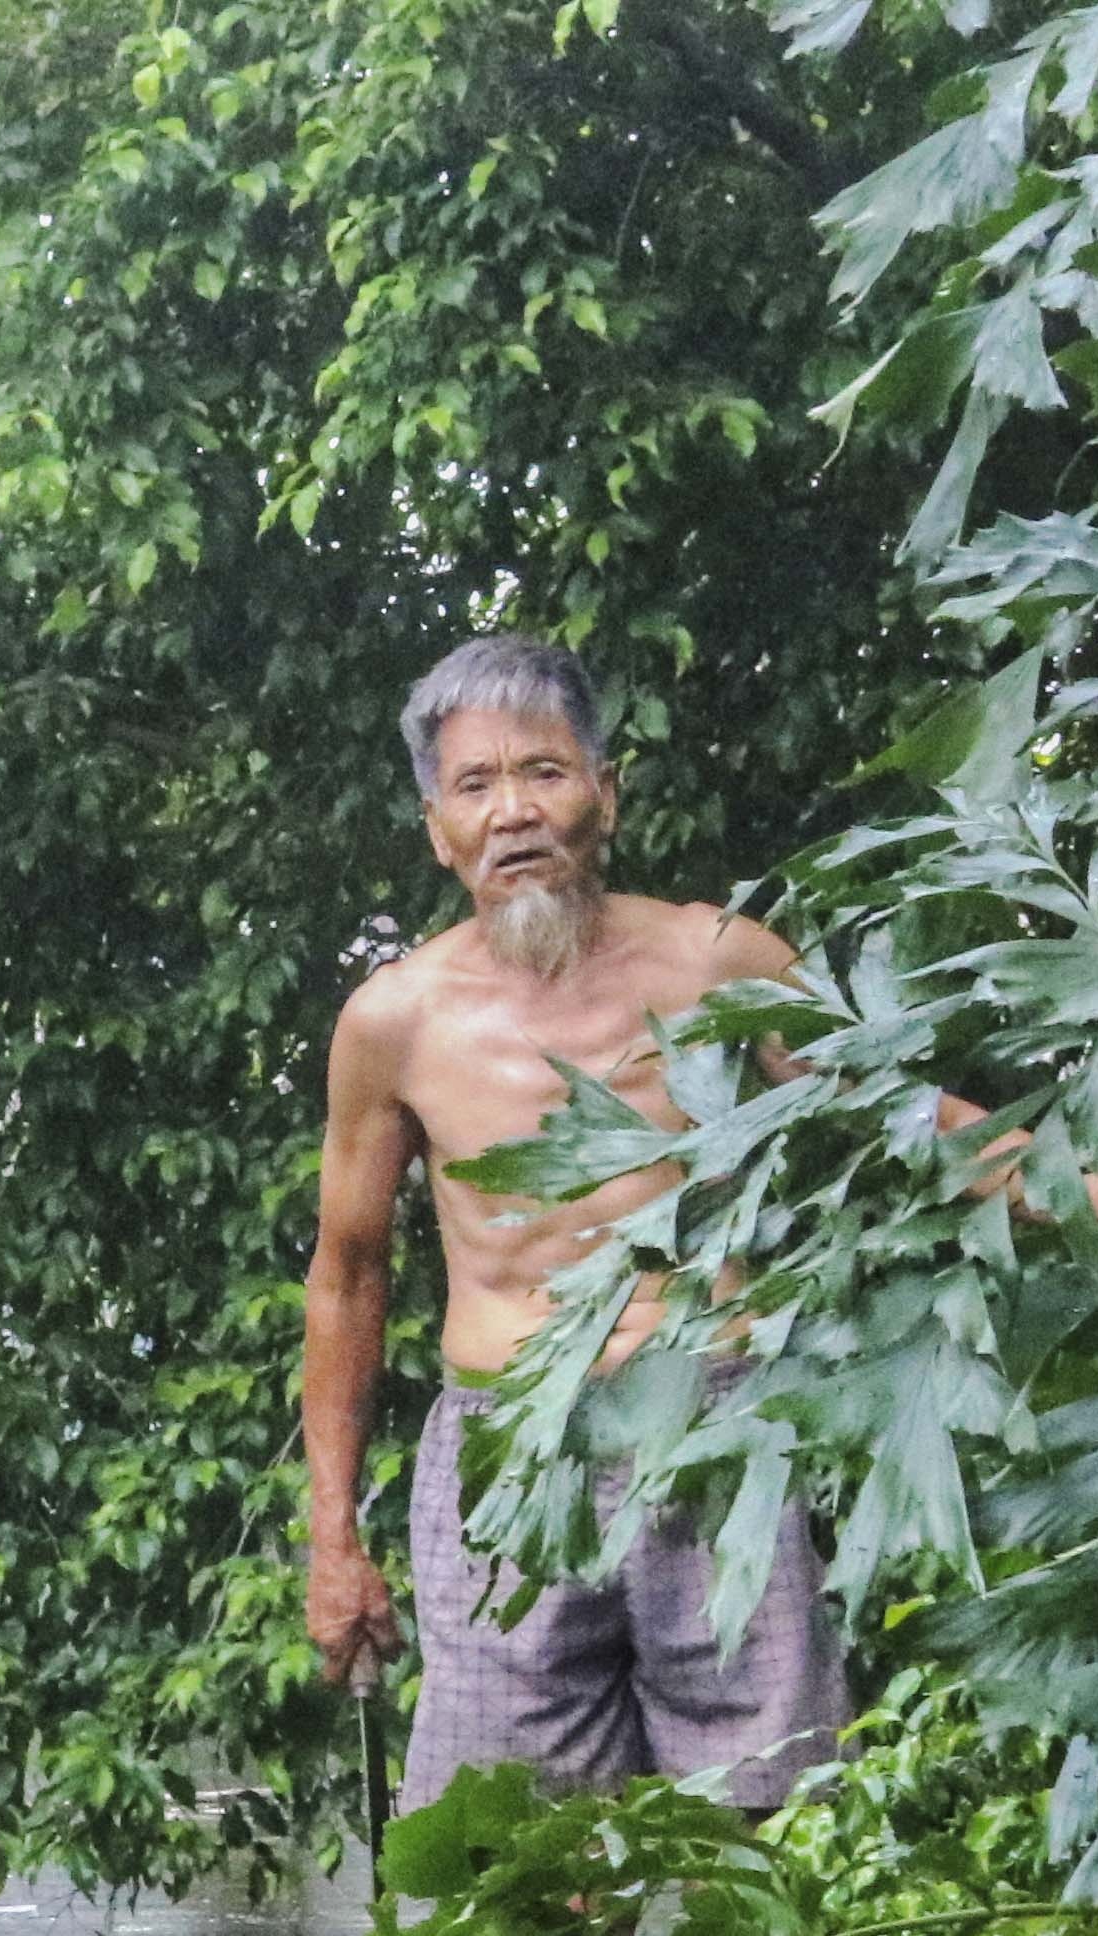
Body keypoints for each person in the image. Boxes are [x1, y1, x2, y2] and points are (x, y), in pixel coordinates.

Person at [300, 635, 848, 1815]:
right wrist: (332, 1537)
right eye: (476, 785)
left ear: (605, 787)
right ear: (437, 827)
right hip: (508, 1461)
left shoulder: (720, 962)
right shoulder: (393, 1021)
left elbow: (901, 1120)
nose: (514, 812)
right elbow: (347, 1278)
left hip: (712, 1430)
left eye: (543, 771)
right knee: (526, 1885)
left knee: (761, 1840)